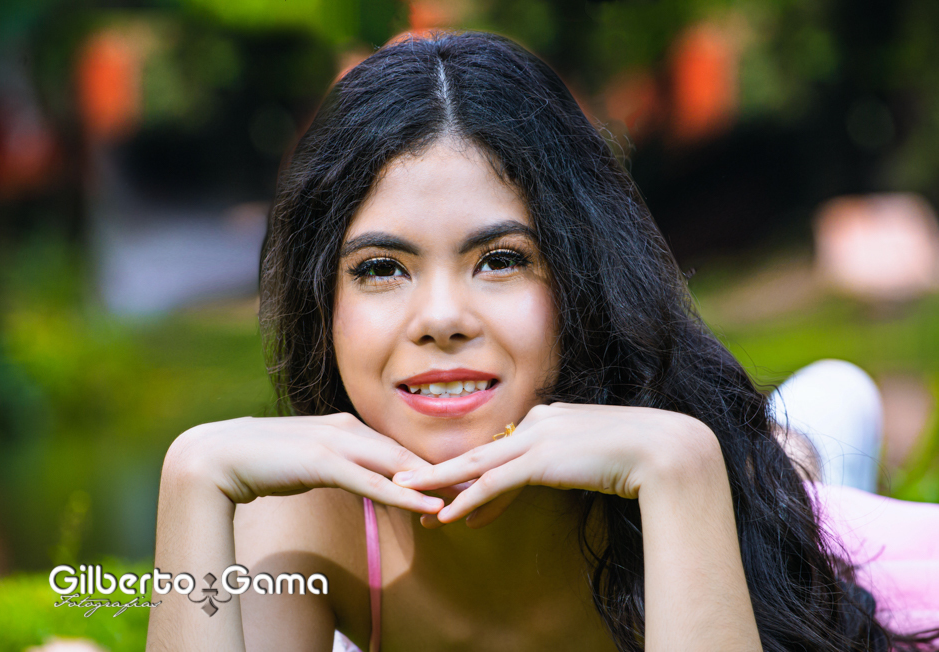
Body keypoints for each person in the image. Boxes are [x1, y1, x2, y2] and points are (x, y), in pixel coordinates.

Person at [146, 31, 939, 651]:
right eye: (382, 268)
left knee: (797, 465)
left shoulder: (685, 472)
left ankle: (816, 433)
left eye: (500, 259)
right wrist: (192, 476)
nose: (441, 318)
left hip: (771, 518)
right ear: (323, 302)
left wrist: (682, 467)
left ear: (580, 278)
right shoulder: (305, 522)